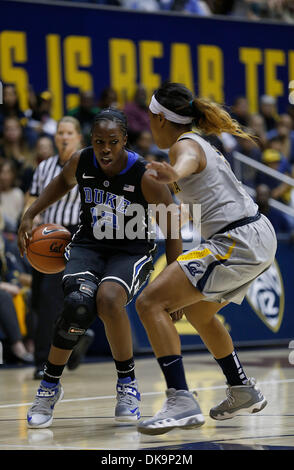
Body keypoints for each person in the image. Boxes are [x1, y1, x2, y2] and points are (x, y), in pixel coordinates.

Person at [17, 108, 182, 428]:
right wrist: (31, 212)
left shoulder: (145, 175)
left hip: (132, 250)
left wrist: (175, 284)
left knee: (107, 299)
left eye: (113, 142)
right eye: (98, 142)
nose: (105, 149)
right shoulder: (82, 160)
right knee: (78, 304)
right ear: (91, 141)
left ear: (124, 142)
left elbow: (173, 229)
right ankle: (49, 387)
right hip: (89, 245)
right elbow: (62, 182)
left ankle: (127, 385)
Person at [133, 82, 277, 435]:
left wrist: (173, 174)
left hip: (237, 239)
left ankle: (180, 399)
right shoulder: (196, 144)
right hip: (251, 235)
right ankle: (241, 387)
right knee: (198, 312)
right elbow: (186, 212)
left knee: (149, 302)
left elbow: (186, 162)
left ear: (160, 119)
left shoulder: (185, 145)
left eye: (151, 121)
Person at [22, 116, 90, 380]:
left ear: (78, 138)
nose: (63, 136)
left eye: (69, 132)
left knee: (57, 297)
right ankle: (73, 341)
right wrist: (31, 219)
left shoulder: (86, 165)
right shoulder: (45, 167)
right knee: (40, 299)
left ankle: (45, 360)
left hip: (74, 235)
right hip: (46, 235)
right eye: (60, 132)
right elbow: (32, 198)